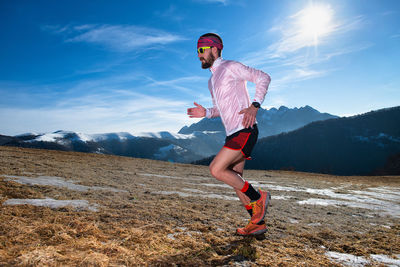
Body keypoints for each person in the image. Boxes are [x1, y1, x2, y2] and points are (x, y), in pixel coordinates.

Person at [187, 33, 272, 236]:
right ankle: (256, 223)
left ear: (214, 49)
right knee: (236, 179)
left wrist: (255, 105)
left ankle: (258, 197)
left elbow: (263, 77)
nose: (198, 55)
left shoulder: (230, 67)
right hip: (232, 133)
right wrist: (206, 113)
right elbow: (220, 108)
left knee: (216, 169)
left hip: (245, 129)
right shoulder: (212, 81)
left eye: (201, 50)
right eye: (197, 51)